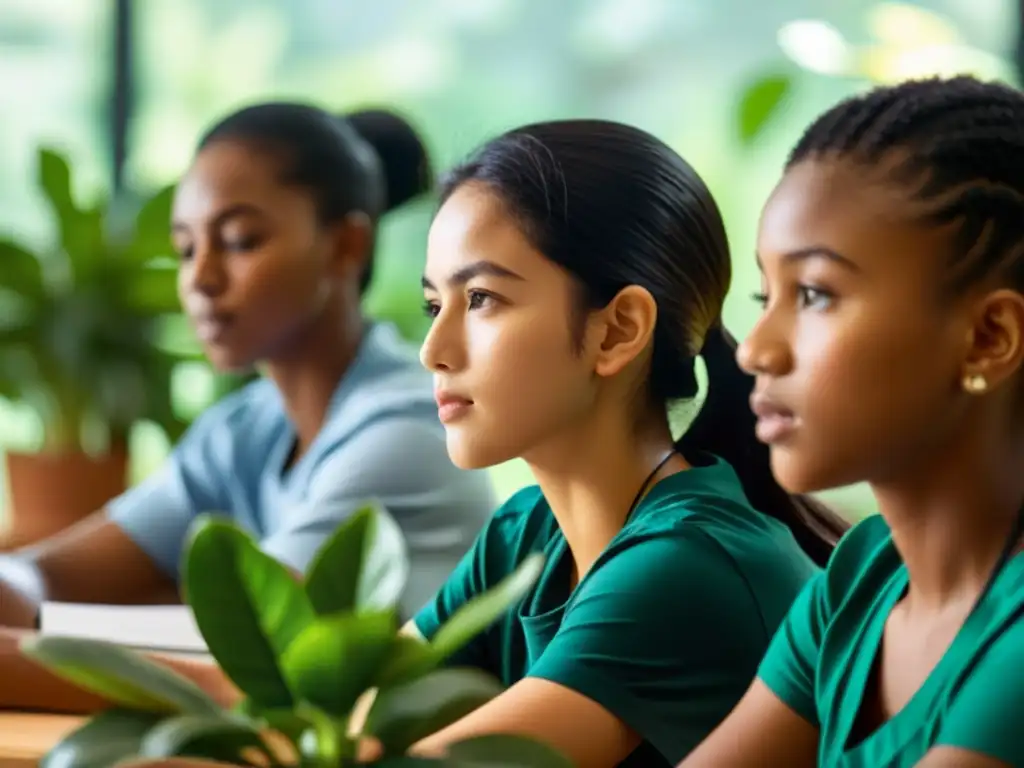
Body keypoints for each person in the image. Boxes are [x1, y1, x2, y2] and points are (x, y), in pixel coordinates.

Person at [0, 102, 495, 708]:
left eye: (238, 240)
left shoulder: (407, 432)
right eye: (185, 249)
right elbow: (44, 577)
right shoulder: (241, 431)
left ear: (346, 245)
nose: (200, 278)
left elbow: (253, 665)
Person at [386, 118, 845, 768]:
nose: (434, 350)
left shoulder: (684, 565)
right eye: (437, 306)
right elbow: (357, 711)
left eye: (482, 298)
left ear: (617, 331)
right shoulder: (525, 537)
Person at [681, 75, 1024, 768]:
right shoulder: (860, 580)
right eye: (764, 293)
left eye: (813, 293)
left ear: (990, 337)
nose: (754, 348)